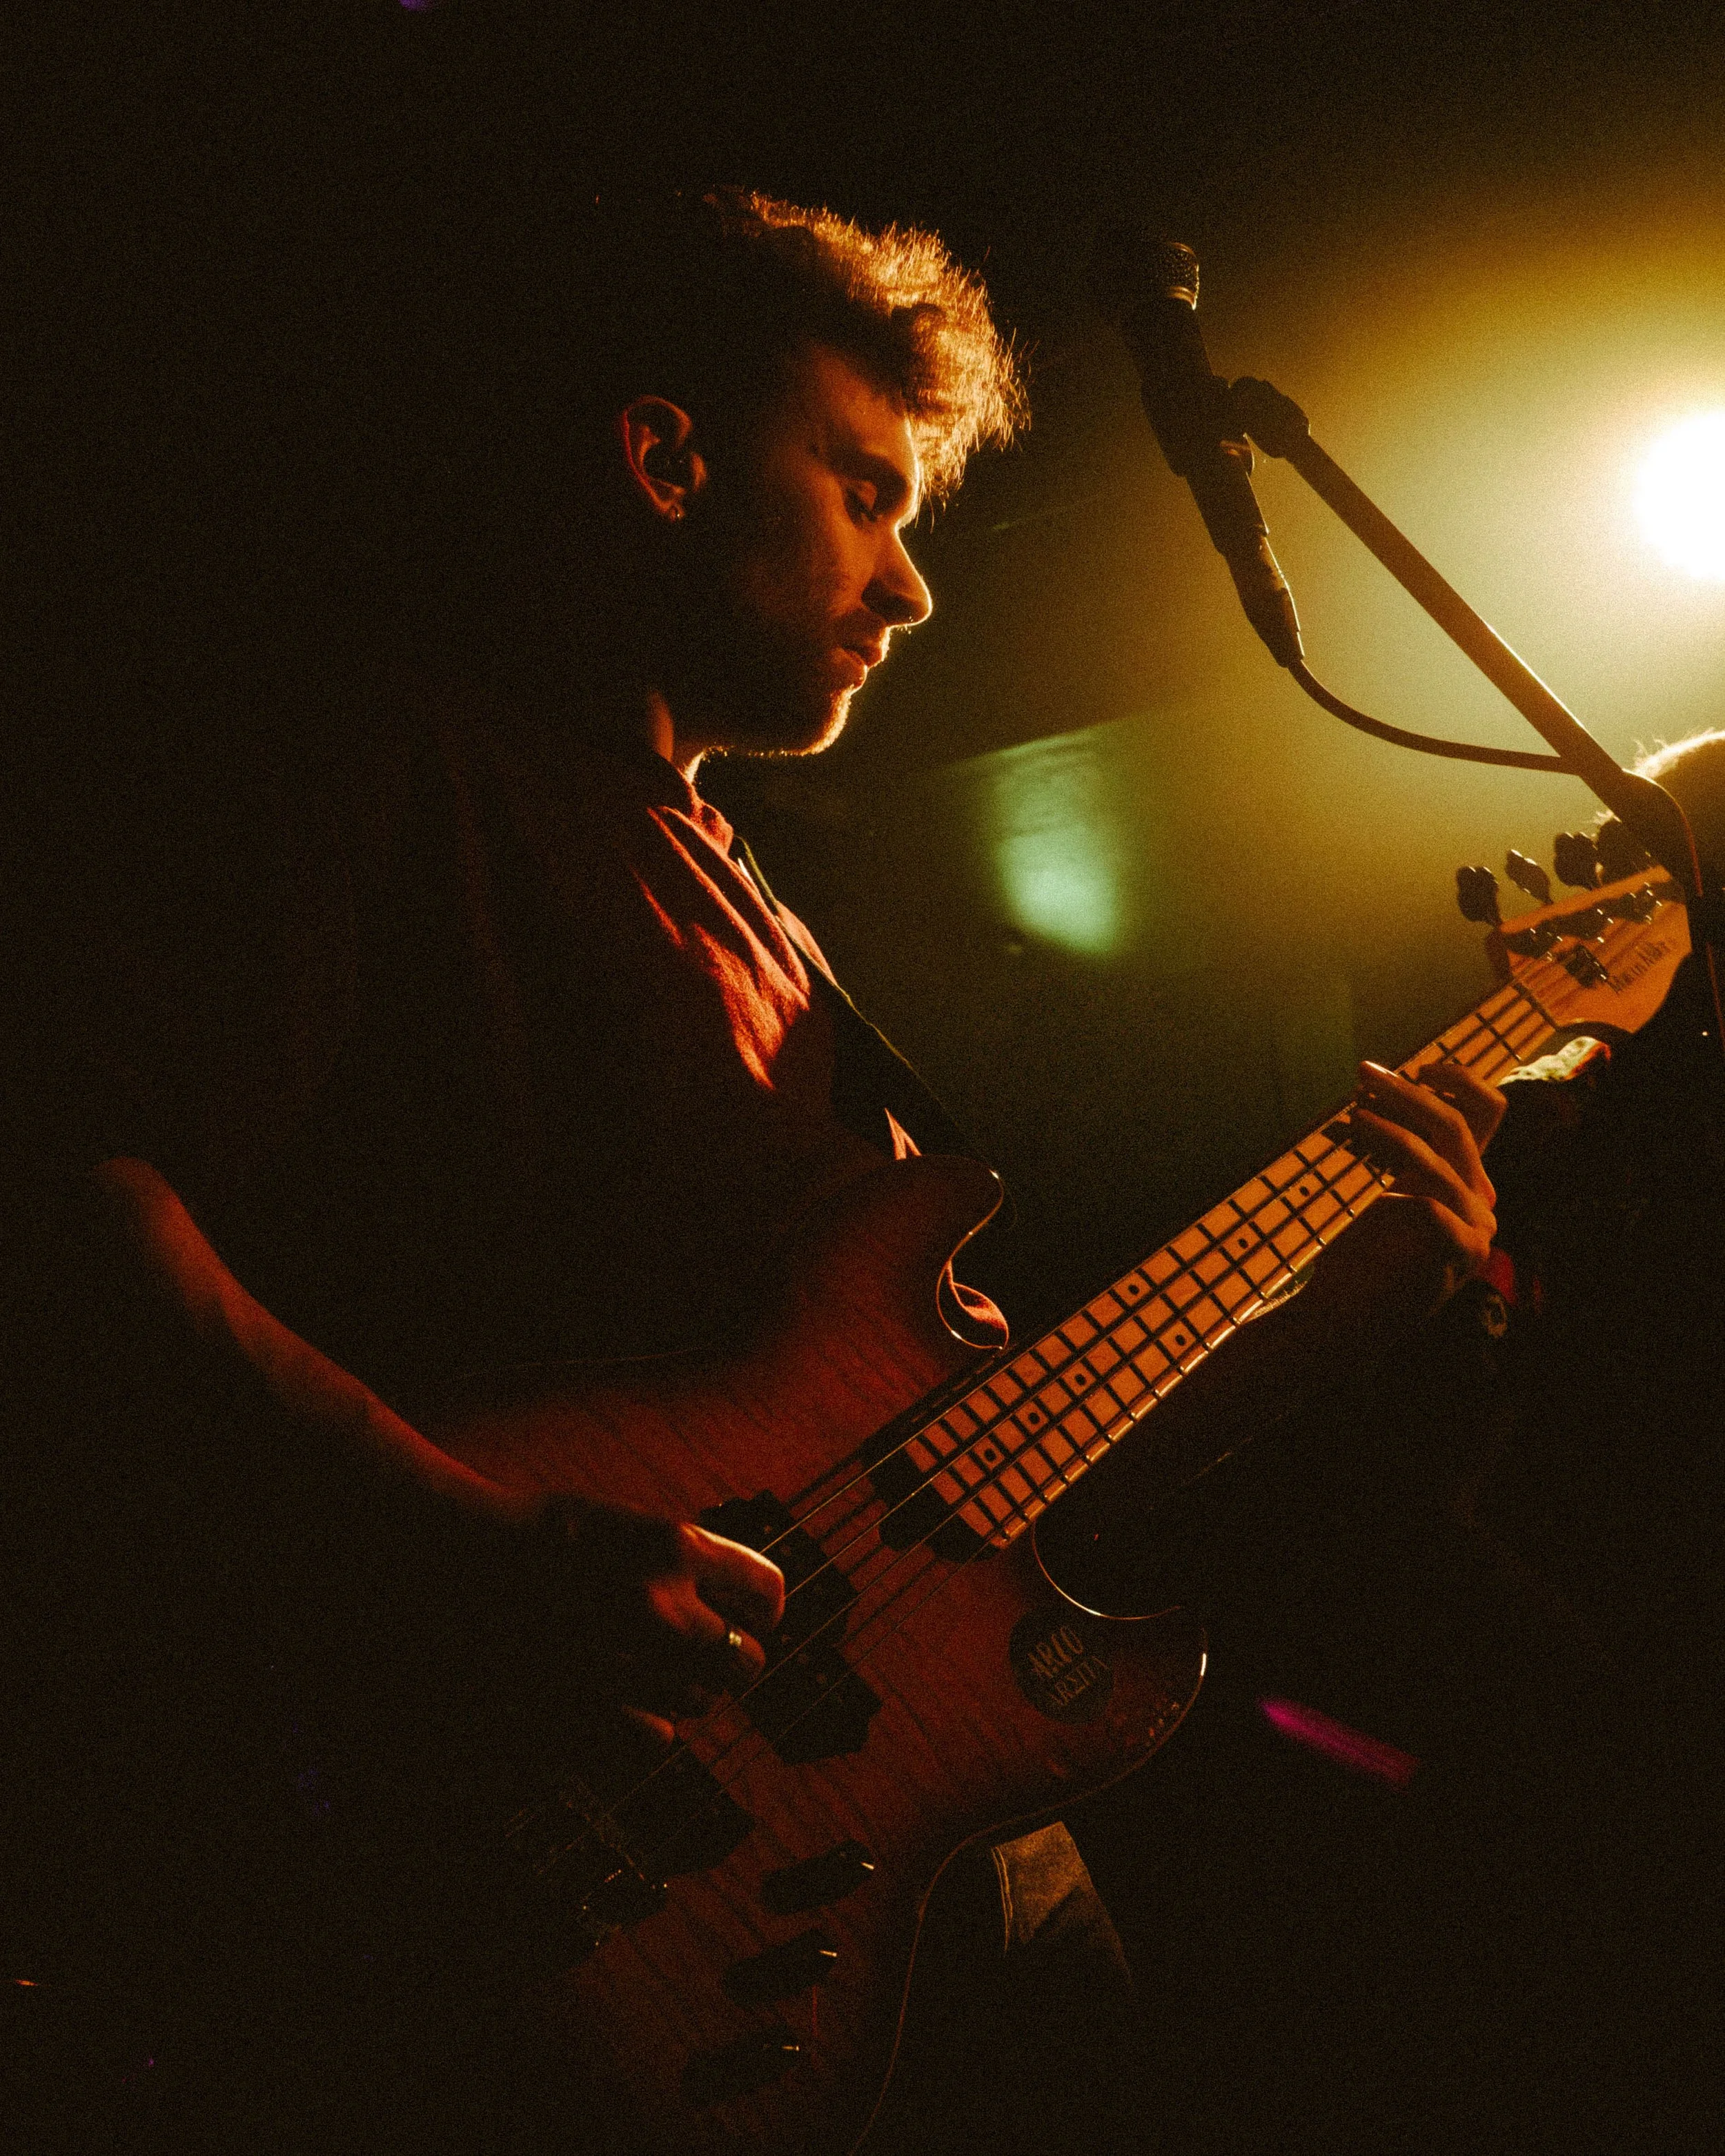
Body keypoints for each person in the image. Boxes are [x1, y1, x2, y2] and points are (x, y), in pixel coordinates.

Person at [1, 190, 1504, 2153]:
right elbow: (83, 1197)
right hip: (497, 1827)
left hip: (886, 1835)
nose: (913, 588)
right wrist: (477, 1556)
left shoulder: (760, 905)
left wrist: (1355, 1293)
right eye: (868, 494)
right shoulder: (395, 757)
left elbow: (954, 1469)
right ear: (662, 459)